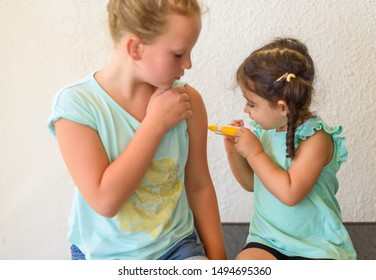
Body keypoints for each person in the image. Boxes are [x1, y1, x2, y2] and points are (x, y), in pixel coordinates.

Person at [47, 0, 226, 260]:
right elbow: (105, 202)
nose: (188, 64)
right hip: (104, 257)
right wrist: (155, 124)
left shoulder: (188, 102)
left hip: (176, 248)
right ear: (135, 48)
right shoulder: (76, 105)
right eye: (178, 53)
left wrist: (220, 265)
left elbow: (199, 186)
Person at [224, 38, 356, 260]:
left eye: (252, 103)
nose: (245, 109)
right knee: (244, 266)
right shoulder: (265, 131)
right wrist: (234, 152)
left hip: (316, 247)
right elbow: (251, 183)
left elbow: (290, 192)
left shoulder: (316, 139)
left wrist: (254, 153)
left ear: (282, 107)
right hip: (267, 240)